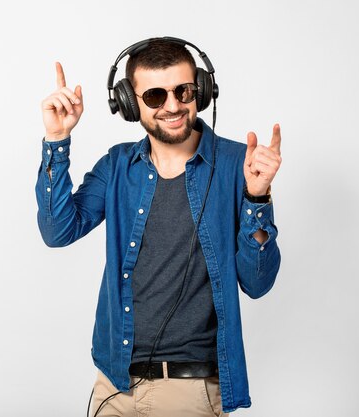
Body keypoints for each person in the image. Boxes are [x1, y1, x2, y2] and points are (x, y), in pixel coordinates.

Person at [35, 37, 282, 416]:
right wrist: (57, 138)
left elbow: (257, 283)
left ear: (201, 90)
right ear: (130, 105)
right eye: (154, 96)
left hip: (189, 390)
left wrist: (257, 199)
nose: (173, 106)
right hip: (114, 383)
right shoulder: (117, 166)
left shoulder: (238, 164)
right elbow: (58, 231)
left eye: (183, 91)